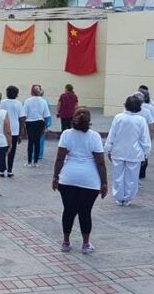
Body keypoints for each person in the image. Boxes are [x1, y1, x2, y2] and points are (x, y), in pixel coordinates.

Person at [53, 107, 107, 254]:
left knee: (68, 210)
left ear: (73, 118)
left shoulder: (66, 134)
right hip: (90, 181)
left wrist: (55, 176)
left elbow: (60, 158)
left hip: (68, 179)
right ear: (89, 120)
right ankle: (85, 244)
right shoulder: (94, 136)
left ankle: (65, 242)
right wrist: (104, 182)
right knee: (85, 212)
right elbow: (101, 162)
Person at [105, 95, 152, 206]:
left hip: (118, 151)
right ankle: (128, 198)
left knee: (118, 176)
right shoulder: (141, 120)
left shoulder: (118, 117)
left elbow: (112, 135)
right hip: (134, 153)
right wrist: (146, 152)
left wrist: (108, 148)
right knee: (132, 177)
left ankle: (119, 197)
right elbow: (145, 138)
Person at [0, 86, 25, 177]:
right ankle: (10, 170)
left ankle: (1, 170)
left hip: (3, 130)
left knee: (2, 150)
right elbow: (22, 118)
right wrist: (20, 133)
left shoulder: (2, 102)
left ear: (7, 93)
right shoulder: (19, 104)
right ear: (17, 94)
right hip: (14, 131)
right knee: (12, 151)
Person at [23, 85, 51, 167]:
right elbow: (46, 115)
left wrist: (23, 125)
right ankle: (35, 162)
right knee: (37, 142)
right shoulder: (43, 101)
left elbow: (24, 114)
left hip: (30, 122)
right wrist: (45, 126)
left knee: (30, 142)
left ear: (31, 92)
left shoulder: (27, 101)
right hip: (40, 122)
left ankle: (29, 162)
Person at [138, 87, 154, 182]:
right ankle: (140, 174)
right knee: (143, 154)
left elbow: (152, 123)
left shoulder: (149, 108)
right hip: (143, 136)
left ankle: (140, 173)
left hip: (143, 136)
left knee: (143, 155)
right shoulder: (133, 107)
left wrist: (151, 136)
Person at [38, 86, 53, 160]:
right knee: (41, 138)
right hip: (43, 121)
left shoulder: (29, 100)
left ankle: (34, 153)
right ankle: (40, 154)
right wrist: (47, 123)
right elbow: (48, 113)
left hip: (34, 121)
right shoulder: (45, 101)